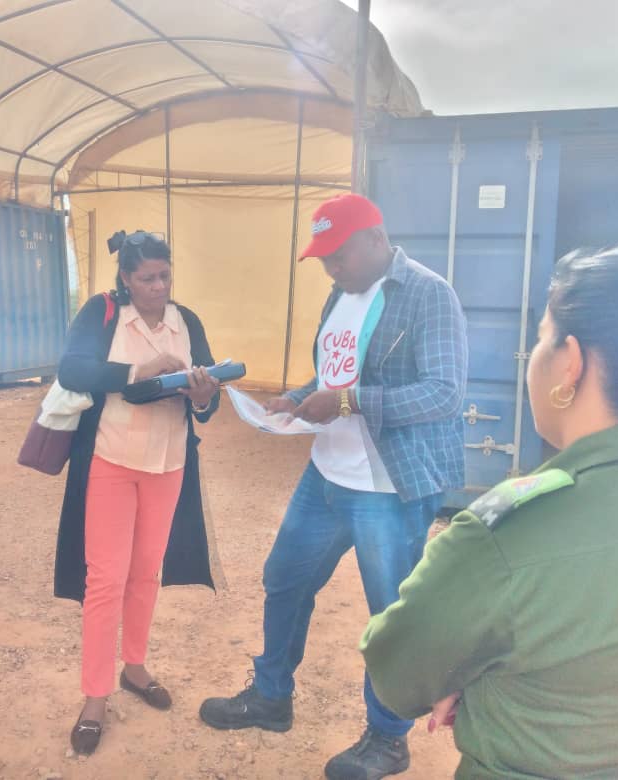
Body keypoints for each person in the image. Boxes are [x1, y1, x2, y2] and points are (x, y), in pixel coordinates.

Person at [361, 244, 618, 778]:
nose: (534, 356)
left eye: (541, 337)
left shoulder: (506, 536)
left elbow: (396, 672)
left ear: (570, 363)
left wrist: (481, 682)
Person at [200, 193, 468, 779]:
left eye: (337, 255)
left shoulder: (428, 293)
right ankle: (271, 698)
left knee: (389, 613)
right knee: (285, 579)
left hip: (388, 487)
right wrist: (297, 398)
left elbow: (444, 392)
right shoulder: (340, 293)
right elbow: (333, 374)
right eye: (322, 259)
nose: (330, 268)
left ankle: (388, 739)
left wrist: (347, 401)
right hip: (327, 475)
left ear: (375, 239)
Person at [54, 229, 221, 755]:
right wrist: (137, 371)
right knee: (106, 579)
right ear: (125, 278)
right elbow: (71, 368)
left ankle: (136, 668)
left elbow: (208, 396)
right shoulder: (102, 313)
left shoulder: (186, 321)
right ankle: (94, 698)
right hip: (110, 460)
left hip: (168, 464)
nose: (158, 287)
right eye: (146, 278)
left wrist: (202, 395)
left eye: (165, 276)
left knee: (147, 570)